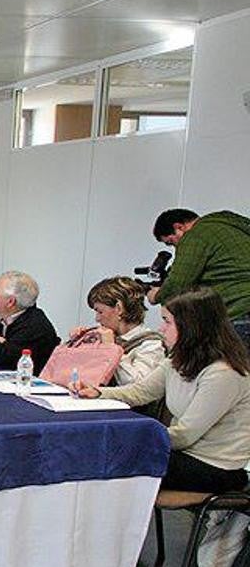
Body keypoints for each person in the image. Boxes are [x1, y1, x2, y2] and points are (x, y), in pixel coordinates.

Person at [72, 288, 250, 493]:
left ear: (191, 327)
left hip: (214, 467)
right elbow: (141, 392)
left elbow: (185, 435)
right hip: (184, 454)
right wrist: (98, 393)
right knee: (106, 455)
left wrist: (131, 437)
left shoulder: (223, 374)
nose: (161, 328)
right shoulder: (177, 361)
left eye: (167, 322)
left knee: (109, 460)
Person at [149, 209, 250, 347]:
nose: (176, 248)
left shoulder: (196, 235)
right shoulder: (232, 226)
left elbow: (178, 283)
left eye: (171, 243)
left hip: (238, 310)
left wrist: (156, 296)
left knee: (231, 366)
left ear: (179, 227)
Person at [69, 276, 165, 387]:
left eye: (100, 311)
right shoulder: (103, 337)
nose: (97, 319)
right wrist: (78, 344)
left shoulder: (151, 345)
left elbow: (138, 386)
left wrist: (111, 349)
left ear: (119, 309)